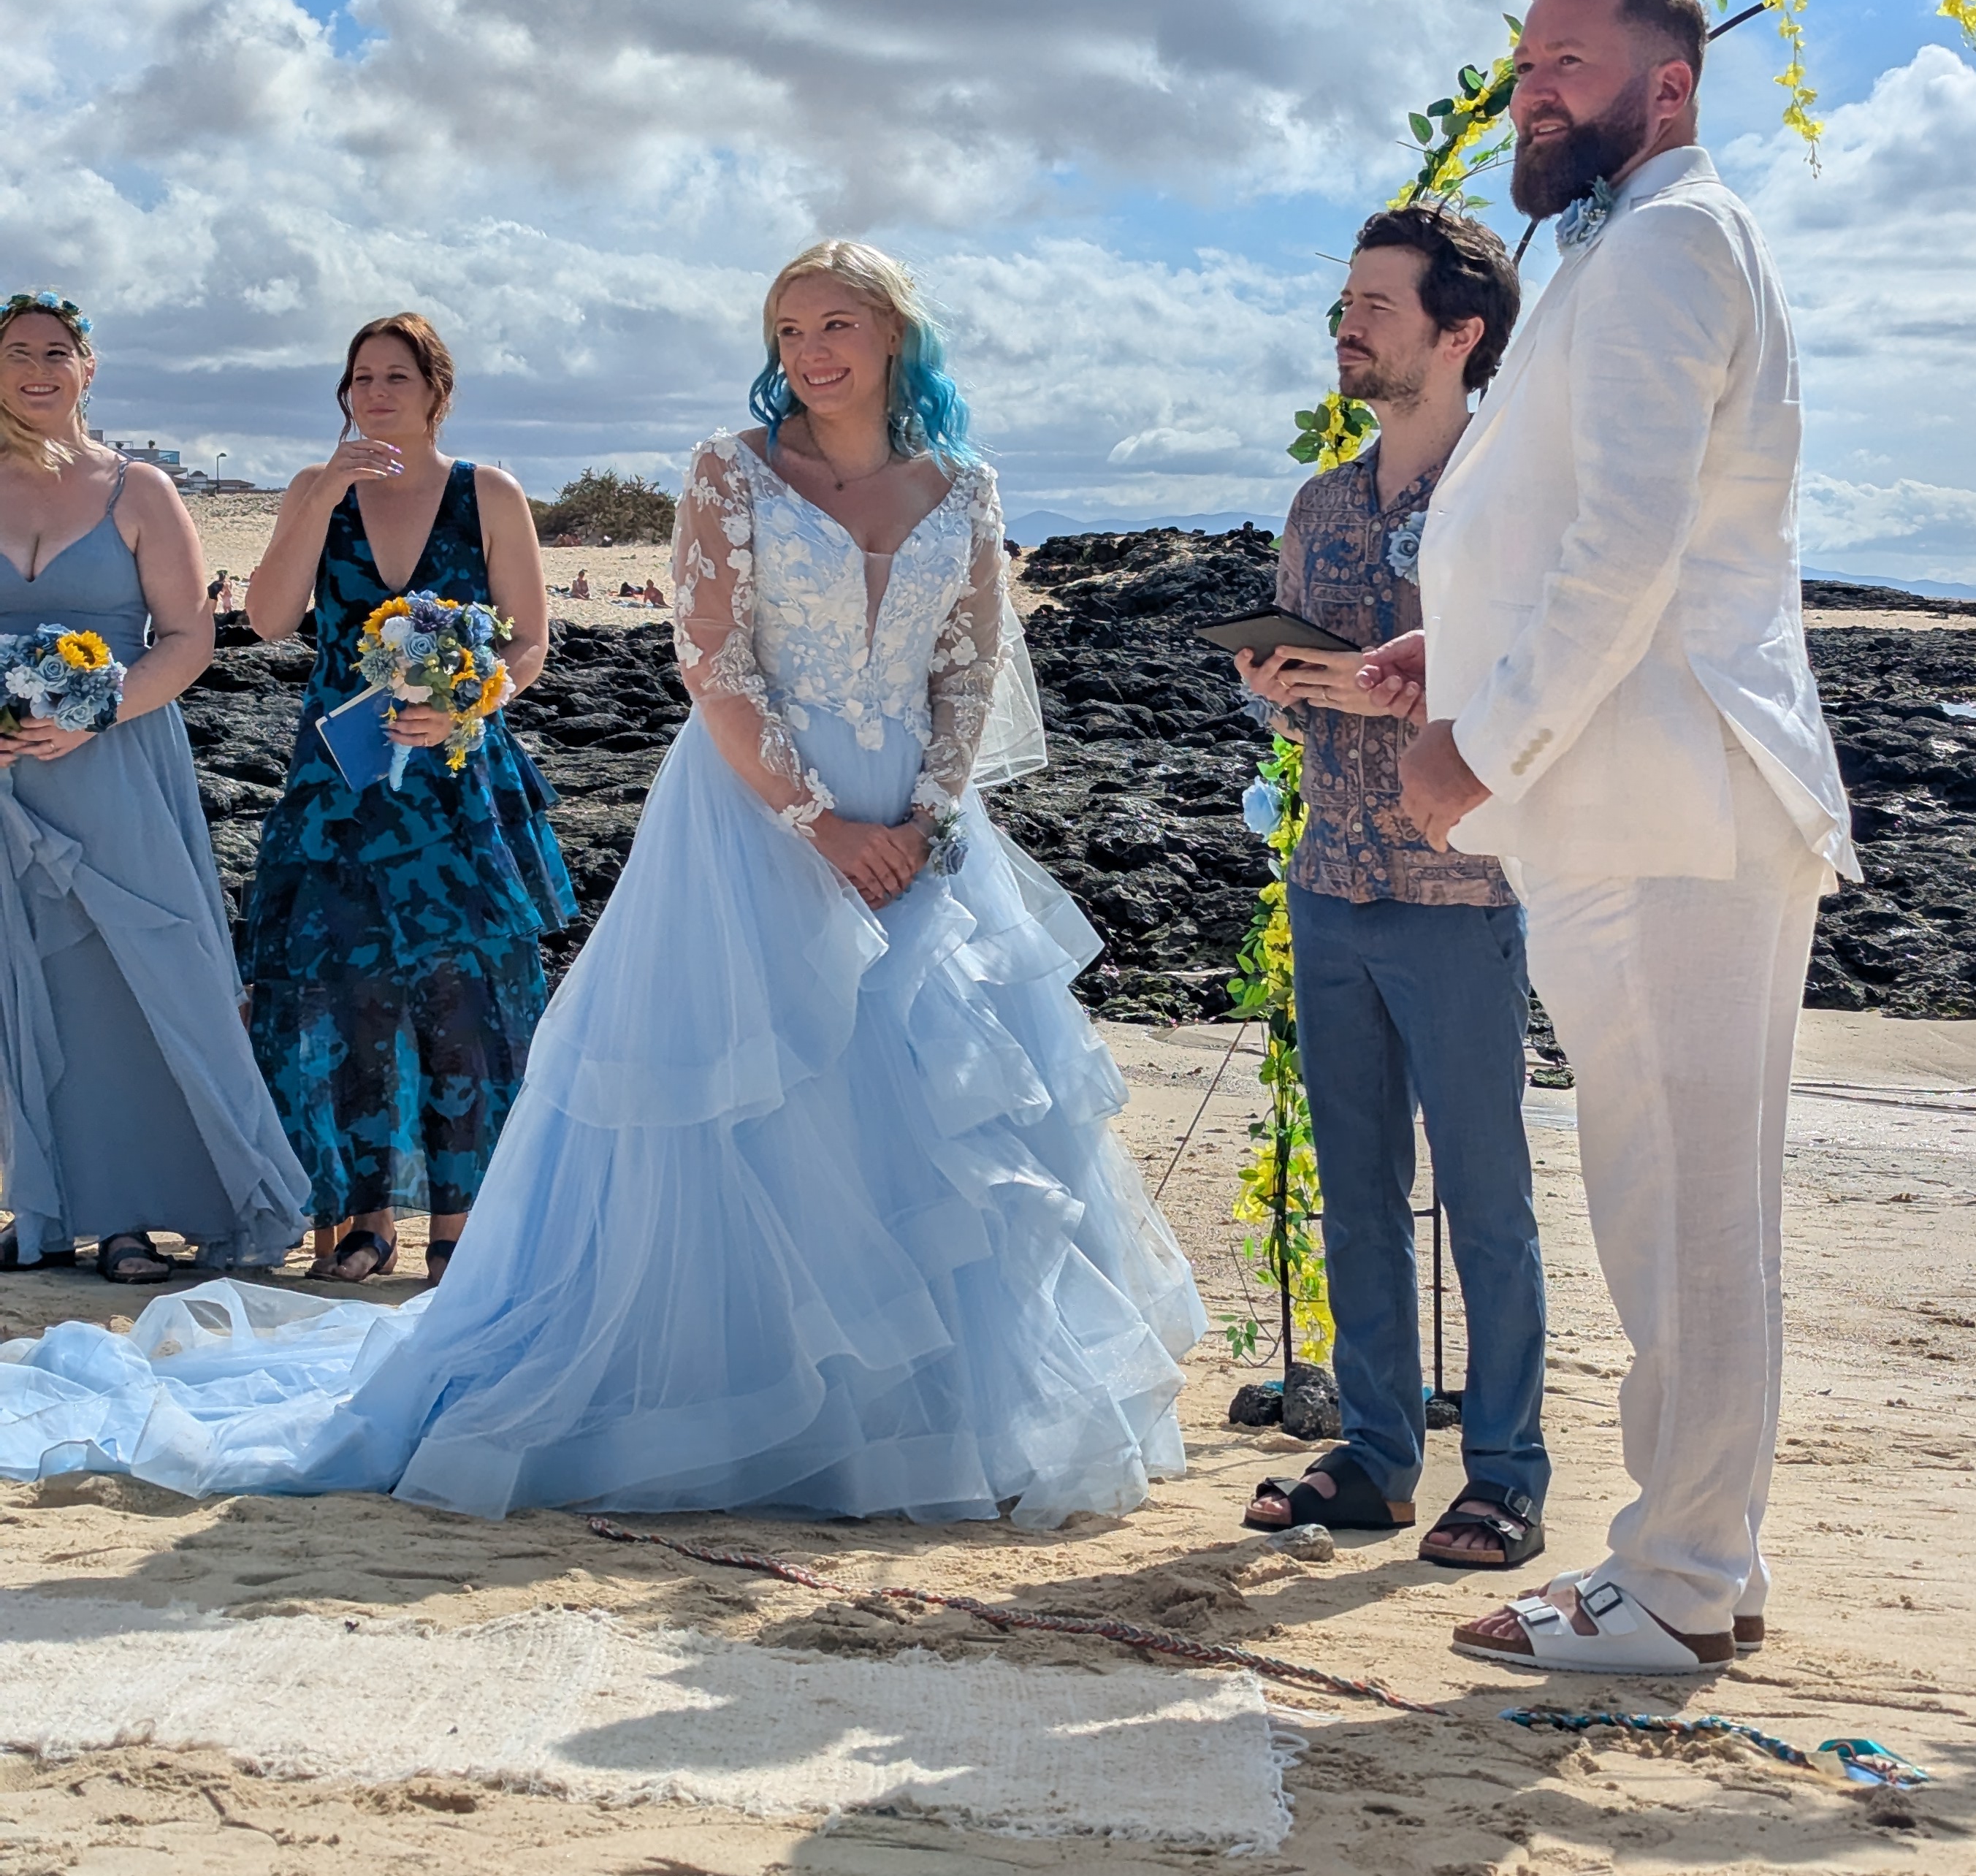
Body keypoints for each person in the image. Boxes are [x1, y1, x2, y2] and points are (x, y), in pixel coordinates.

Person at [0, 244, 1202, 1525]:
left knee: (922, 1092)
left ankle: (927, 1417)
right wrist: (816, 819)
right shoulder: (727, 470)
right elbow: (710, 662)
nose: (809, 351)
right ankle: (662, 1357)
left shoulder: (961, 486)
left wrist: (925, 811)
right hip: (723, 812)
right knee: (702, 1077)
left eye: (837, 324)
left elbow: (966, 668)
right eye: (787, 327)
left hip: (899, 813)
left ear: (899, 336)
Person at [1365, 0, 1855, 1674]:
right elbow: (1601, 529)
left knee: (1688, 1198)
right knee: (1666, 1193)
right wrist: (1462, 645)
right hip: (1636, 791)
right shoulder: (1629, 243)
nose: (1535, 92)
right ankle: (1697, 1553)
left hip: (1666, 798)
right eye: (1523, 67)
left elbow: (1633, 547)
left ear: (1672, 85)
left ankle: (1680, 1580)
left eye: (1567, 62)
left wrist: (1484, 746)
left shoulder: (1667, 243)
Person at [1233, 204, 1549, 1571]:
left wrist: (1404, 683)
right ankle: (1372, 1458)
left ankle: (1508, 1473)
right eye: (1341, 305)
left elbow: (1543, 679)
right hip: (1329, 879)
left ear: (1460, 331)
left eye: (1377, 304)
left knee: (1486, 1196)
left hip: (1466, 888)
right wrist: (1281, 689)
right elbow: (1304, 718)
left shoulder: (1515, 494)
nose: (1348, 326)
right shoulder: (1318, 505)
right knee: (1355, 1189)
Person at [242, 316, 575, 1288]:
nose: (376, 393)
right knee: (347, 995)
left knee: (467, 994)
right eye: (359, 379)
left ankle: (466, 1219)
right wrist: (321, 495)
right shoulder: (318, 491)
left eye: (396, 376)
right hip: (340, 782)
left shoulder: (489, 494)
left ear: (438, 390)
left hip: (460, 781)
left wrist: (471, 702)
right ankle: (365, 1212)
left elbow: (530, 646)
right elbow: (268, 621)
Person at [0, 290, 308, 1282]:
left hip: (119, 763)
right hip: (5, 778)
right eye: (16, 353)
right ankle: (49, 1207)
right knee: (31, 990)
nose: (37, 369)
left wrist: (96, 711)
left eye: (57, 351)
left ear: (89, 370)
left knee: (151, 979)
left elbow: (187, 637)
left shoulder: (138, 490)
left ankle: (143, 1211)